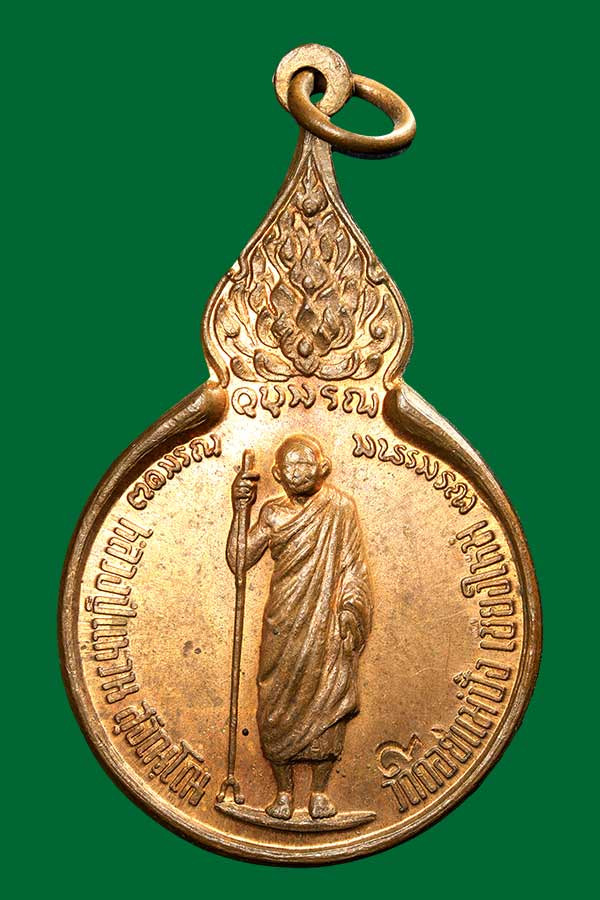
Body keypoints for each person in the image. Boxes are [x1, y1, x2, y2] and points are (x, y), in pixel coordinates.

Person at [227, 434, 372, 820]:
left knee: (328, 695)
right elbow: (240, 560)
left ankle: (320, 792)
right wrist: (239, 510)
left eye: (306, 463)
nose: (298, 472)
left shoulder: (341, 509)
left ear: (323, 467)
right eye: (290, 466)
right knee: (275, 701)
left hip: (327, 621)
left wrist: (350, 609)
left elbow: (354, 565)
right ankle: (283, 793)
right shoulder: (272, 514)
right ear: (277, 473)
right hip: (284, 620)